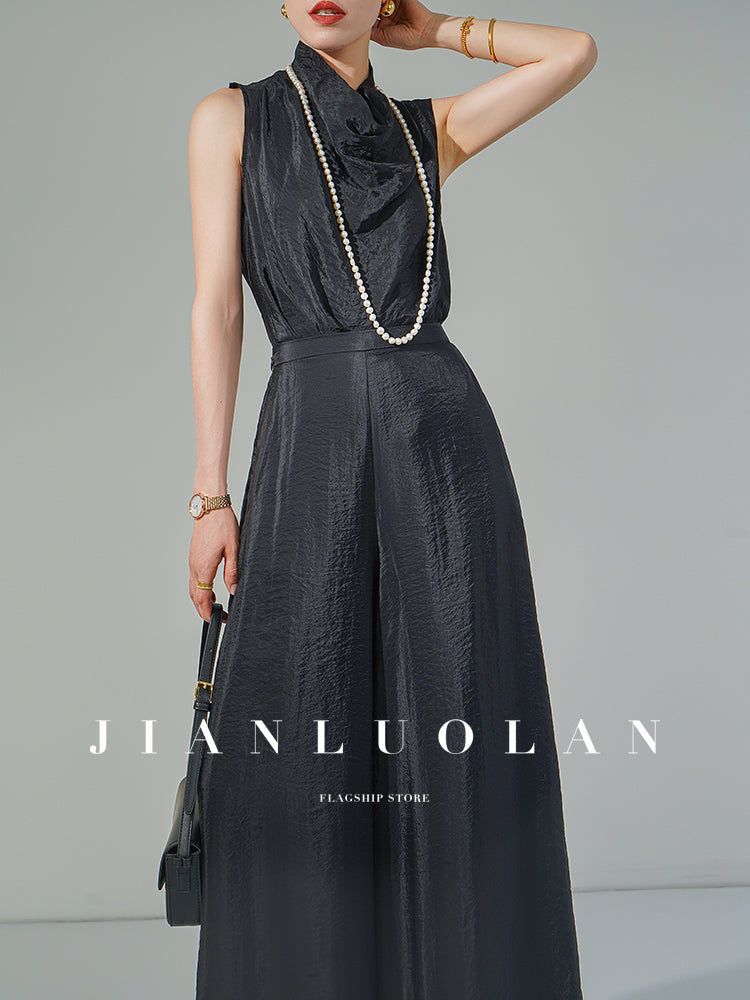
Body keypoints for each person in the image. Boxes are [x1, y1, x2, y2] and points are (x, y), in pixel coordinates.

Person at [186, 1, 596, 997]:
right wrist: (209, 495)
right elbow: (216, 306)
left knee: (455, 704)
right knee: (302, 709)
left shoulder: (429, 131)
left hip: (439, 440)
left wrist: (436, 28)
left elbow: (573, 54)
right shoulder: (232, 118)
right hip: (310, 437)